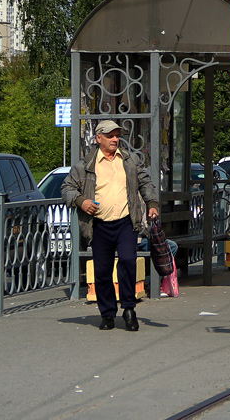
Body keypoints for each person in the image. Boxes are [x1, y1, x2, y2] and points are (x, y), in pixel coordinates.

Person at [62, 120, 159, 331]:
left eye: (117, 135)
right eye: (110, 136)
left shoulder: (129, 160)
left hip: (125, 222)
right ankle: (107, 314)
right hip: (99, 225)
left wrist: (152, 204)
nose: (115, 139)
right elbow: (67, 188)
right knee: (103, 271)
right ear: (99, 139)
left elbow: (145, 182)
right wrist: (81, 201)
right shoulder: (85, 165)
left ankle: (129, 309)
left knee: (127, 262)